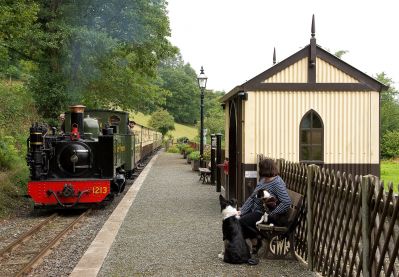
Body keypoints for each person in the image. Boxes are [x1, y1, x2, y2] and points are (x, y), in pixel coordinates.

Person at [238, 158, 291, 253]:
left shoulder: (277, 183)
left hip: (265, 214)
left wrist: (272, 213)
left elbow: (286, 202)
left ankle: (257, 240)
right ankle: (255, 241)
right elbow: (252, 197)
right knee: (239, 219)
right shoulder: (263, 180)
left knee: (243, 222)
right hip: (258, 211)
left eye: (260, 168)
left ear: (264, 169)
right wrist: (242, 211)